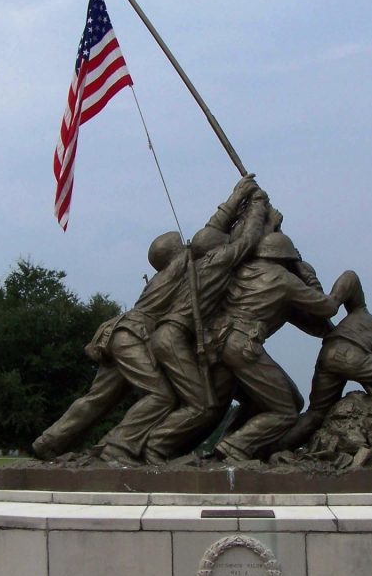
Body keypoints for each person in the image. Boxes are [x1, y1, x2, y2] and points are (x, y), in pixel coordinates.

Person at [106, 175, 267, 463]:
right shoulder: (217, 262)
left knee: (188, 400)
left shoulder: (188, 266)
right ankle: (148, 447)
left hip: (166, 338)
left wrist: (236, 201)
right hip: (171, 338)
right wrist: (256, 205)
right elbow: (249, 239)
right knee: (202, 405)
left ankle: (138, 446)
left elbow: (213, 230)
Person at [31, 231, 187, 461]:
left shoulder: (161, 276)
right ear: (176, 252)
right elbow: (209, 244)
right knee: (162, 396)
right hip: (132, 336)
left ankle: (48, 442)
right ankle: (116, 446)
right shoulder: (176, 269)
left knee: (98, 398)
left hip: (120, 335)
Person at [207, 232, 342, 461]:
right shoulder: (284, 280)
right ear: (286, 259)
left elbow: (317, 327)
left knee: (287, 401)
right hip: (242, 346)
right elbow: (327, 307)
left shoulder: (243, 271)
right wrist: (309, 276)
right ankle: (235, 447)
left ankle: (227, 445)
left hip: (219, 343)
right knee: (285, 411)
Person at [278, 271, 372, 451]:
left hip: (327, 354)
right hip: (352, 357)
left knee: (315, 414)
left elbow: (351, 277)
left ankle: (272, 450)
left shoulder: (361, 313)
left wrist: (334, 299)